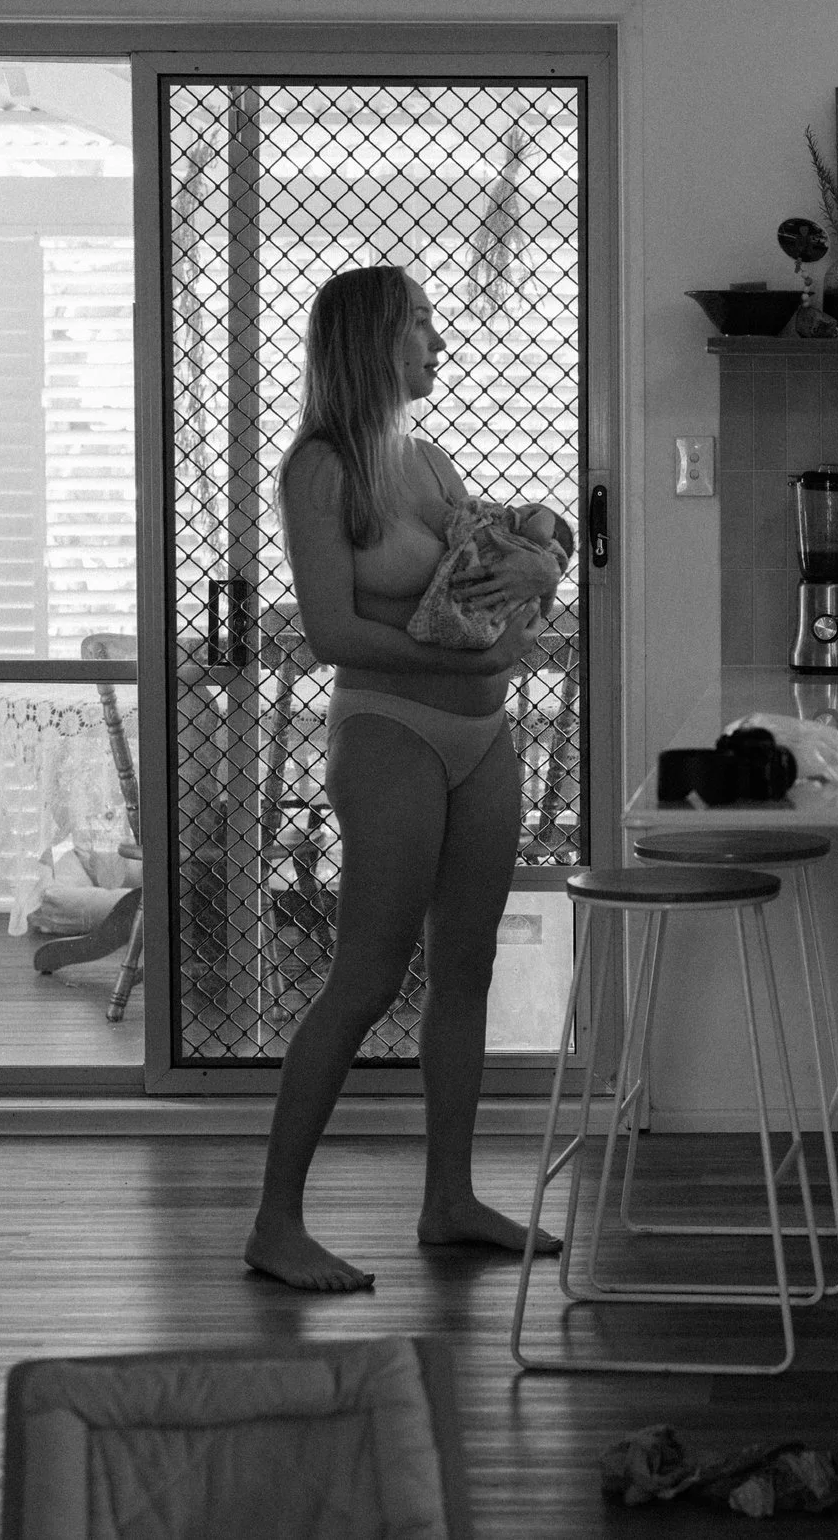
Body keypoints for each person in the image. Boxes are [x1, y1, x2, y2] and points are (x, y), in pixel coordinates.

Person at [245, 264, 571, 1292]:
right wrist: (475, 661)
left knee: (466, 968)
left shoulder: (427, 458)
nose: (440, 342)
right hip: (391, 735)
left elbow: (482, 570)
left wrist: (543, 567)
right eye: (422, 325)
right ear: (372, 341)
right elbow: (333, 628)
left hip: (483, 743)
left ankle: (450, 1199)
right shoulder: (321, 469)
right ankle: (275, 1222)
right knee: (367, 976)